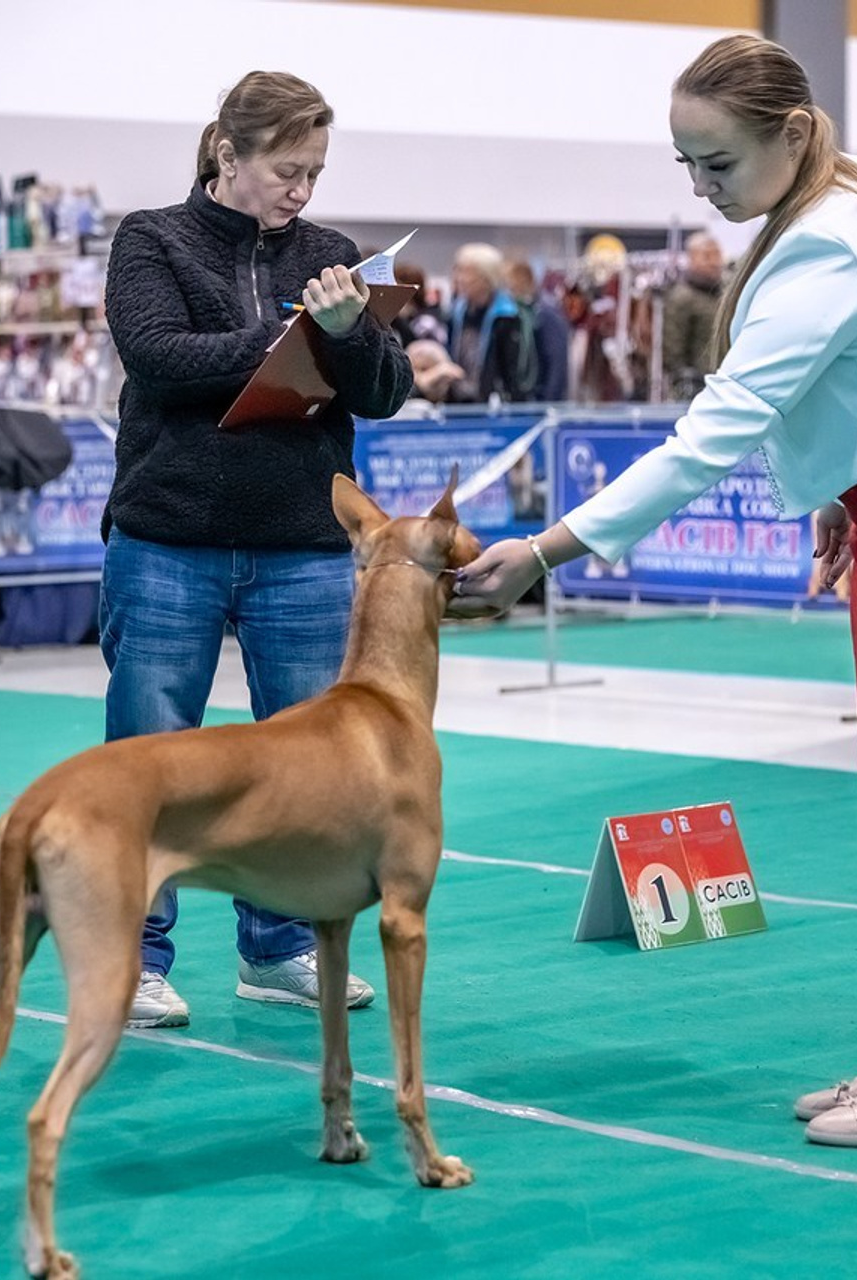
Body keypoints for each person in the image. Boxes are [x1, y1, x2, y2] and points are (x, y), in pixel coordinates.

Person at [452, 34, 857, 1147]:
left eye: (713, 163)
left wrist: (542, 549)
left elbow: (703, 441)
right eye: (683, 164)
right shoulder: (811, 221)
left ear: (787, 135)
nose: (696, 187)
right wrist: (837, 492)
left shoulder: (825, 244)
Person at [102, 70, 412, 1028]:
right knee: (151, 759)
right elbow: (157, 354)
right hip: (166, 540)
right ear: (226, 155)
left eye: (315, 172)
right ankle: (136, 960)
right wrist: (289, 333)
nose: (302, 192)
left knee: (308, 766)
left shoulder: (330, 256)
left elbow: (386, 391)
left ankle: (278, 950)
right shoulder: (150, 238)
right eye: (286, 169)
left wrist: (351, 329)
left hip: (302, 547)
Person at [442, 242, 537, 404]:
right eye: (459, 270)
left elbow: (515, 372)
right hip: (457, 401)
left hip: (493, 405)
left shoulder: (509, 316)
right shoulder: (455, 313)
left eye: (468, 272)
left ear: (487, 278)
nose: (460, 278)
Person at [661, 231, 725, 400]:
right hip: (697, 387)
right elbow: (672, 347)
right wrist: (684, 379)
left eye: (717, 255)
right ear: (691, 259)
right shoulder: (682, 298)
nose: (714, 262)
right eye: (706, 256)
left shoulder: (726, 293)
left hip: (726, 382)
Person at [502, 256, 570, 402]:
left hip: (542, 400)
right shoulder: (517, 313)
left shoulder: (546, 314)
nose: (509, 289)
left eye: (511, 282)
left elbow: (556, 362)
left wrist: (548, 402)